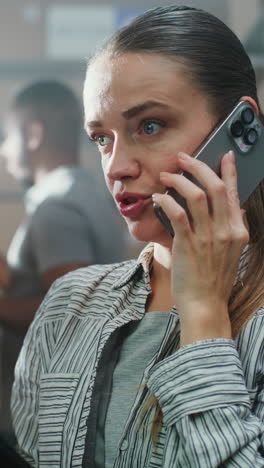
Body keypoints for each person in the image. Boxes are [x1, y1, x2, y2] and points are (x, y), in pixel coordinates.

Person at [11, 5, 264, 467]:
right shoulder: (71, 302)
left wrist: (204, 315)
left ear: (240, 133)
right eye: (102, 138)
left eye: (150, 126)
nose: (115, 167)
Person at [0, 80, 127, 441]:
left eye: (7, 138)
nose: (4, 152)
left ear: (33, 134)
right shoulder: (87, 193)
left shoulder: (54, 207)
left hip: (43, 419)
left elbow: (74, 309)